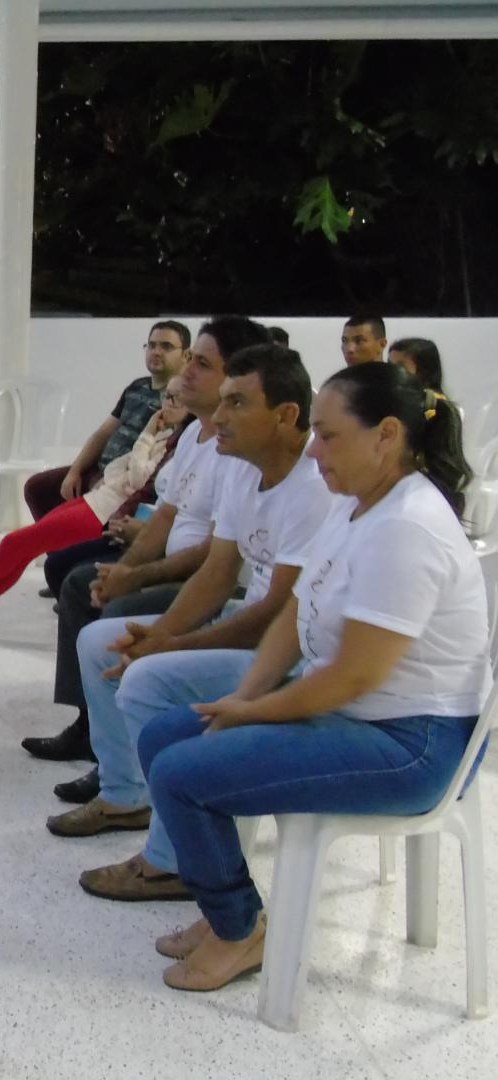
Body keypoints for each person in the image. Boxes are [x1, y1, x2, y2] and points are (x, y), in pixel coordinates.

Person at [138, 363, 487, 992]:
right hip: (361, 714)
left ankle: (239, 930)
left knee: (181, 773)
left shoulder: (406, 527)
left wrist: (254, 713)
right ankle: (227, 913)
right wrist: (245, 694)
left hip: (415, 742)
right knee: (163, 737)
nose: (315, 451)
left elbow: (353, 676)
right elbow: (297, 611)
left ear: (386, 435)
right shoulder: (354, 502)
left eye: (328, 436)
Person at [47, 346, 335, 906]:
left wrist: (171, 646)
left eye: (237, 403)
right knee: (99, 640)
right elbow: (217, 572)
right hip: (258, 628)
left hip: (292, 651)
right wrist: (160, 637)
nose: (219, 417)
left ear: (287, 415)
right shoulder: (246, 471)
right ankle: (125, 795)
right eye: (221, 402)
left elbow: (280, 613)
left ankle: (172, 860)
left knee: (147, 679)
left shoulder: (312, 489)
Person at [23, 318, 272, 769]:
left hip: (209, 581)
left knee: (118, 613)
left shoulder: (239, 452)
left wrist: (135, 578)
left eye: (201, 363)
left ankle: (121, 750)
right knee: (79, 580)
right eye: (189, 359)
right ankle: (91, 725)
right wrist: (125, 570)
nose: (185, 371)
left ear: (236, 376)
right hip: (177, 563)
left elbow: (217, 560)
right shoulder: (193, 434)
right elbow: (166, 515)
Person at [0, 377, 189, 635]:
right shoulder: (163, 431)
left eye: (177, 398)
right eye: (167, 396)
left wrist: (146, 435)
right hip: (99, 497)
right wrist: (130, 455)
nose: (168, 403)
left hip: (106, 512)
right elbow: (119, 466)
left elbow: (141, 478)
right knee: (21, 549)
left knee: (15, 543)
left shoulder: (176, 443)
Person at [23, 321, 190, 523]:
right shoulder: (136, 387)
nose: (156, 352)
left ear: (186, 355)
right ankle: (59, 542)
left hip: (123, 482)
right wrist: (76, 470)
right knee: (37, 488)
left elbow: (162, 457)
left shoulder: (179, 401)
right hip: (100, 469)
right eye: (152, 345)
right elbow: (103, 434)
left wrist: (109, 481)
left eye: (166, 346)